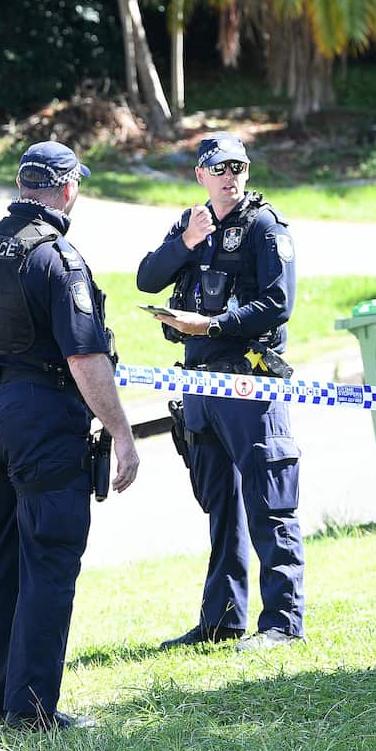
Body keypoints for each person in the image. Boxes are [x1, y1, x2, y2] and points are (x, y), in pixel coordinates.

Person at [0, 140, 140, 733]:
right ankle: (31, 712)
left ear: (21, 185)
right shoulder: (57, 258)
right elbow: (84, 356)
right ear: (68, 188)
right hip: (39, 417)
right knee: (49, 561)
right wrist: (121, 432)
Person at [137, 132, 304, 653]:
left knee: (269, 501)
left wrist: (210, 326)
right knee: (221, 505)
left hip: (247, 381)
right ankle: (222, 620)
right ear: (201, 175)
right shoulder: (192, 224)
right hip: (198, 383)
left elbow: (278, 304)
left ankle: (282, 623)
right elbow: (146, 279)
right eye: (220, 168)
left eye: (238, 168)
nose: (230, 177)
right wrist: (185, 243)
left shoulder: (265, 226)